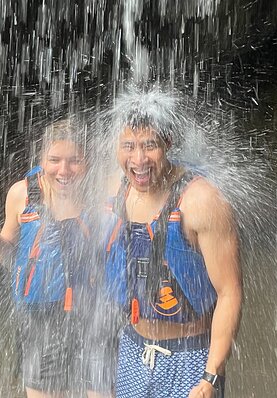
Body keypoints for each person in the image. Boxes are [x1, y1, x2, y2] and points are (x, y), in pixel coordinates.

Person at [103, 96, 243, 398]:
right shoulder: (115, 190)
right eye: (129, 146)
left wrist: (211, 376)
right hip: (132, 349)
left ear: (168, 142)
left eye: (150, 145)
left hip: (190, 357)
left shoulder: (201, 201)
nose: (138, 160)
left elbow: (229, 292)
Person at [0, 118, 112, 398]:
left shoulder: (102, 194)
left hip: (94, 313)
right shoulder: (22, 194)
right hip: (39, 316)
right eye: (54, 160)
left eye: (75, 161)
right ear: (41, 159)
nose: (64, 170)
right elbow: (11, 259)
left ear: (88, 161)